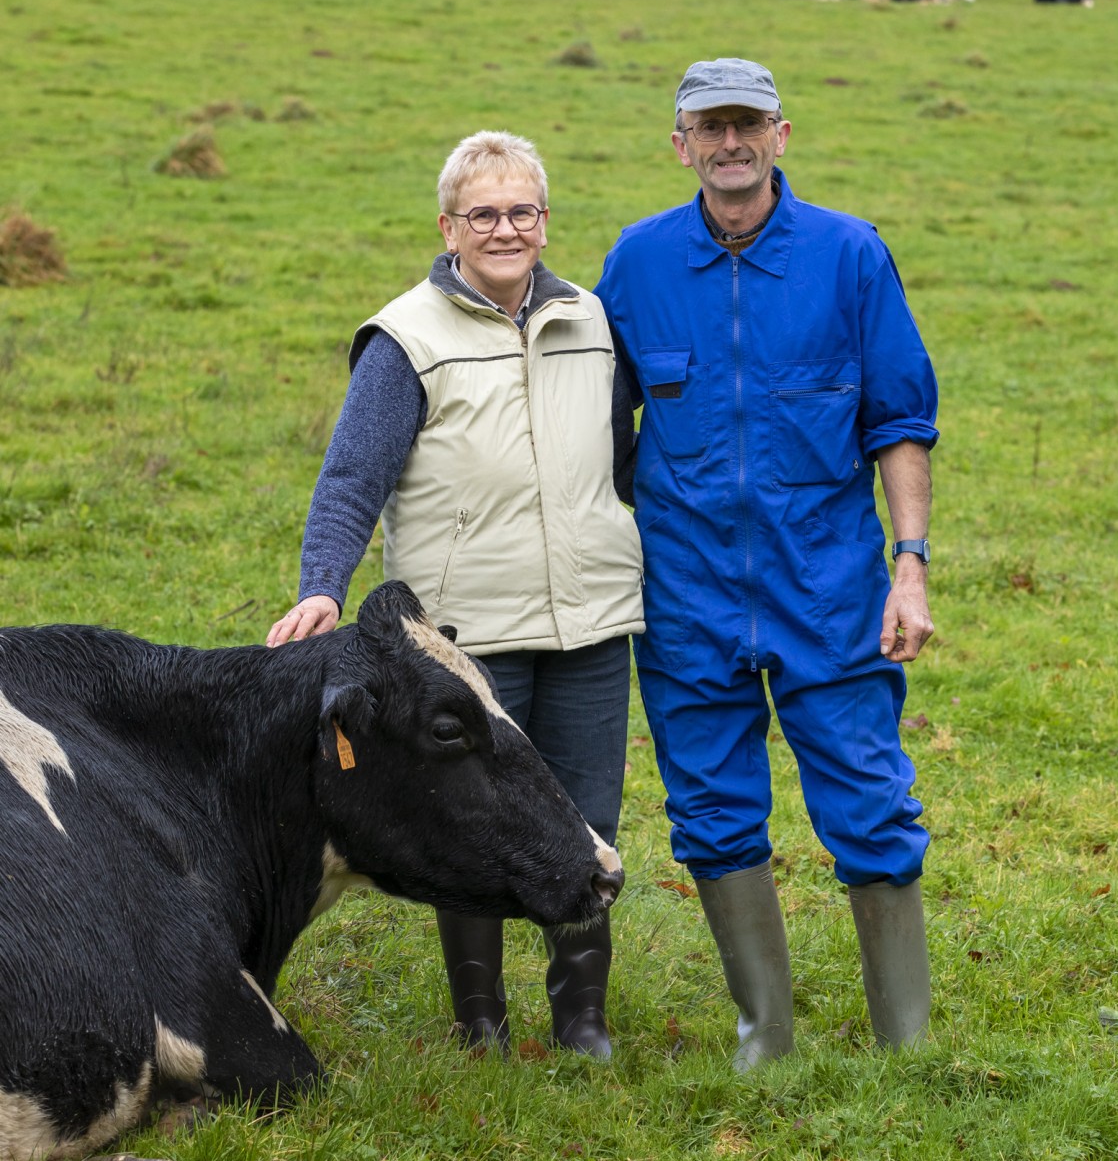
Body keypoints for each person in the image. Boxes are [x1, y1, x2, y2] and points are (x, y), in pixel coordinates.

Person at [268, 131, 643, 1058]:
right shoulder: (407, 339)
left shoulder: (592, 322)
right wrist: (323, 587)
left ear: (545, 221)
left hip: (592, 621)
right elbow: (352, 476)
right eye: (483, 214)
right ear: (449, 227)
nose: (504, 229)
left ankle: (582, 1017)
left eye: (521, 211)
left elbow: (626, 461)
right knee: (475, 818)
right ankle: (481, 1018)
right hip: (468, 637)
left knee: (587, 813)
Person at [594, 58, 938, 1069]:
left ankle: (907, 1042)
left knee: (869, 796)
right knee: (709, 805)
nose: (731, 143)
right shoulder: (638, 263)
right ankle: (765, 1036)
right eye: (711, 127)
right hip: (687, 589)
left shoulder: (849, 254)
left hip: (828, 582)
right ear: (682, 145)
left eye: (748, 123)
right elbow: (592, 417)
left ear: (781, 135)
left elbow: (899, 420)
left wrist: (910, 564)